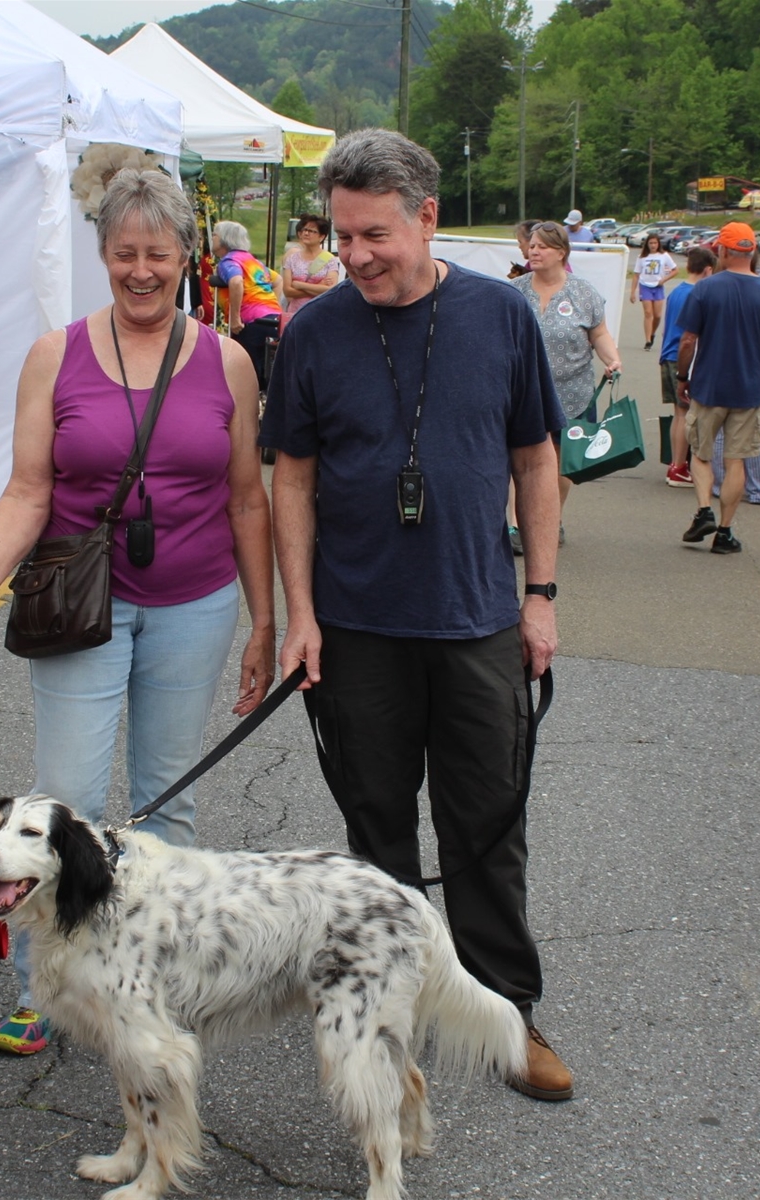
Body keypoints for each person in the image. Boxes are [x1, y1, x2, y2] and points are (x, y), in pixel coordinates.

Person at [260, 128, 574, 1102]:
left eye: (372, 236)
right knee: (378, 835)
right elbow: (293, 479)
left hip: (477, 619)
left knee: (485, 829)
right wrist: (299, 614)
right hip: (356, 631)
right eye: (341, 237)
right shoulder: (312, 332)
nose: (350, 256)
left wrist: (541, 596)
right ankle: (386, 1030)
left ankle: (505, 1014)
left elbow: (536, 461)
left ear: (426, 217)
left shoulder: (501, 316)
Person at [0, 168, 276, 1052]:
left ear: (185, 256)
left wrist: (267, 620)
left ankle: (157, 982)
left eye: (158, 254)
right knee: (66, 800)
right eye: (124, 253)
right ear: (103, 255)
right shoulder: (57, 355)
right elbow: (26, 489)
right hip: (80, 605)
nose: (141, 271)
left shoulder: (227, 360)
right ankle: (42, 986)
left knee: (169, 807)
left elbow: (248, 500)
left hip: (196, 602)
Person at [674, 221, 760, 555]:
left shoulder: (706, 289)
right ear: (752, 250)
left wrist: (683, 377)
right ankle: (725, 532)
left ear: (722, 251)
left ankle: (703, 510)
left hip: (708, 386)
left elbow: (687, 340)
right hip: (750, 390)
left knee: (700, 453)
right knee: (736, 460)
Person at [510, 221, 621, 549]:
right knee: (523, 457)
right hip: (526, 392)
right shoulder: (516, 290)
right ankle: (517, 527)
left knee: (561, 462)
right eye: (532, 245)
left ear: (561, 252)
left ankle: (551, 519)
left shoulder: (583, 292)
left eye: (542, 246)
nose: (534, 250)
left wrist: (612, 359)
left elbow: (599, 334)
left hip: (574, 394)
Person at [659, 245, 714, 487]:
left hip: (667, 353)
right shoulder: (698, 295)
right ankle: (680, 466)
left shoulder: (676, 291)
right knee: (686, 414)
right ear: (708, 270)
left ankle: (675, 462)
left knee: (678, 413)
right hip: (682, 358)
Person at [211, 219, 283, 392]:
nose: (211, 238)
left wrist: (235, 317)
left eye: (214, 235)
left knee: (247, 372)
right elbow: (278, 280)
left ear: (225, 240)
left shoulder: (228, 261)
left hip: (251, 320)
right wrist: (273, 305)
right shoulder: (253, 261)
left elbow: (236, 282)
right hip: (273, 318)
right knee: (269, 369)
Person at [281, 213, 339, 316]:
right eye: (305, 230)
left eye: (312, 231)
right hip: (295, 313)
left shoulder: (329, 260)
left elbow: (330, 290)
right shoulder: (292, 259)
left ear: (321, 237)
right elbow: (287, 291)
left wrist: (300, 285)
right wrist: (318, 287)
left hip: (320, 313)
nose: (306, 233)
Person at [630, 232, 677, 350]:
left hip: (658, 287)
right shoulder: (641, 257)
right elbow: (636, 275)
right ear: (647, 244)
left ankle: (652, 332)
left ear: (658, 244)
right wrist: (632, 292)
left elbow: (675, 270)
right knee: (648, 313)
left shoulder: (664, 255)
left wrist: (664, 280)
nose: (653, 245)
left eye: (655, 243)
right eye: (651, 243)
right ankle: (647, 340)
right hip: (645, 286)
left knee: (657, 315)